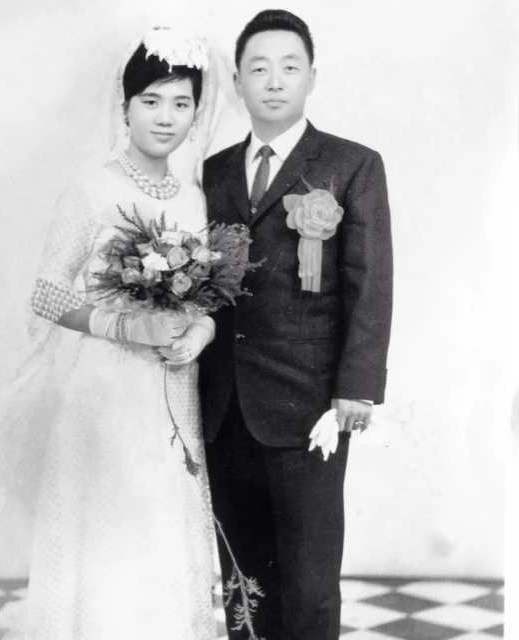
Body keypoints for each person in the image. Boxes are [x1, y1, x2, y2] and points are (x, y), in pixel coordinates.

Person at [23, 28, 223, 640]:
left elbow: (208, 296)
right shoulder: (92, 189)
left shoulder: (195, 197)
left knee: (163, 520)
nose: (167, 117)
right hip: (107, 390)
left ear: (197, 111)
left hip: (172, 385)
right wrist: (120, 323)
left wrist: (202, 332)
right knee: (112, 524)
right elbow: (46, 292)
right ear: (126, 105)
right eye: (152, 100)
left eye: (182, 102)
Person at [200, 9, 393, 640]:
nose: (274, 81)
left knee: (309, 581)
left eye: (290, 67)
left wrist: (355, 387)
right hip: (225, 401)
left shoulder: (351, 165)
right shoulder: (217, 170)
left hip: (309, 402)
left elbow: (370, 284)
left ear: (312, 76)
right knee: (242, 578)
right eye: (258, 68)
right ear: (237, 81)